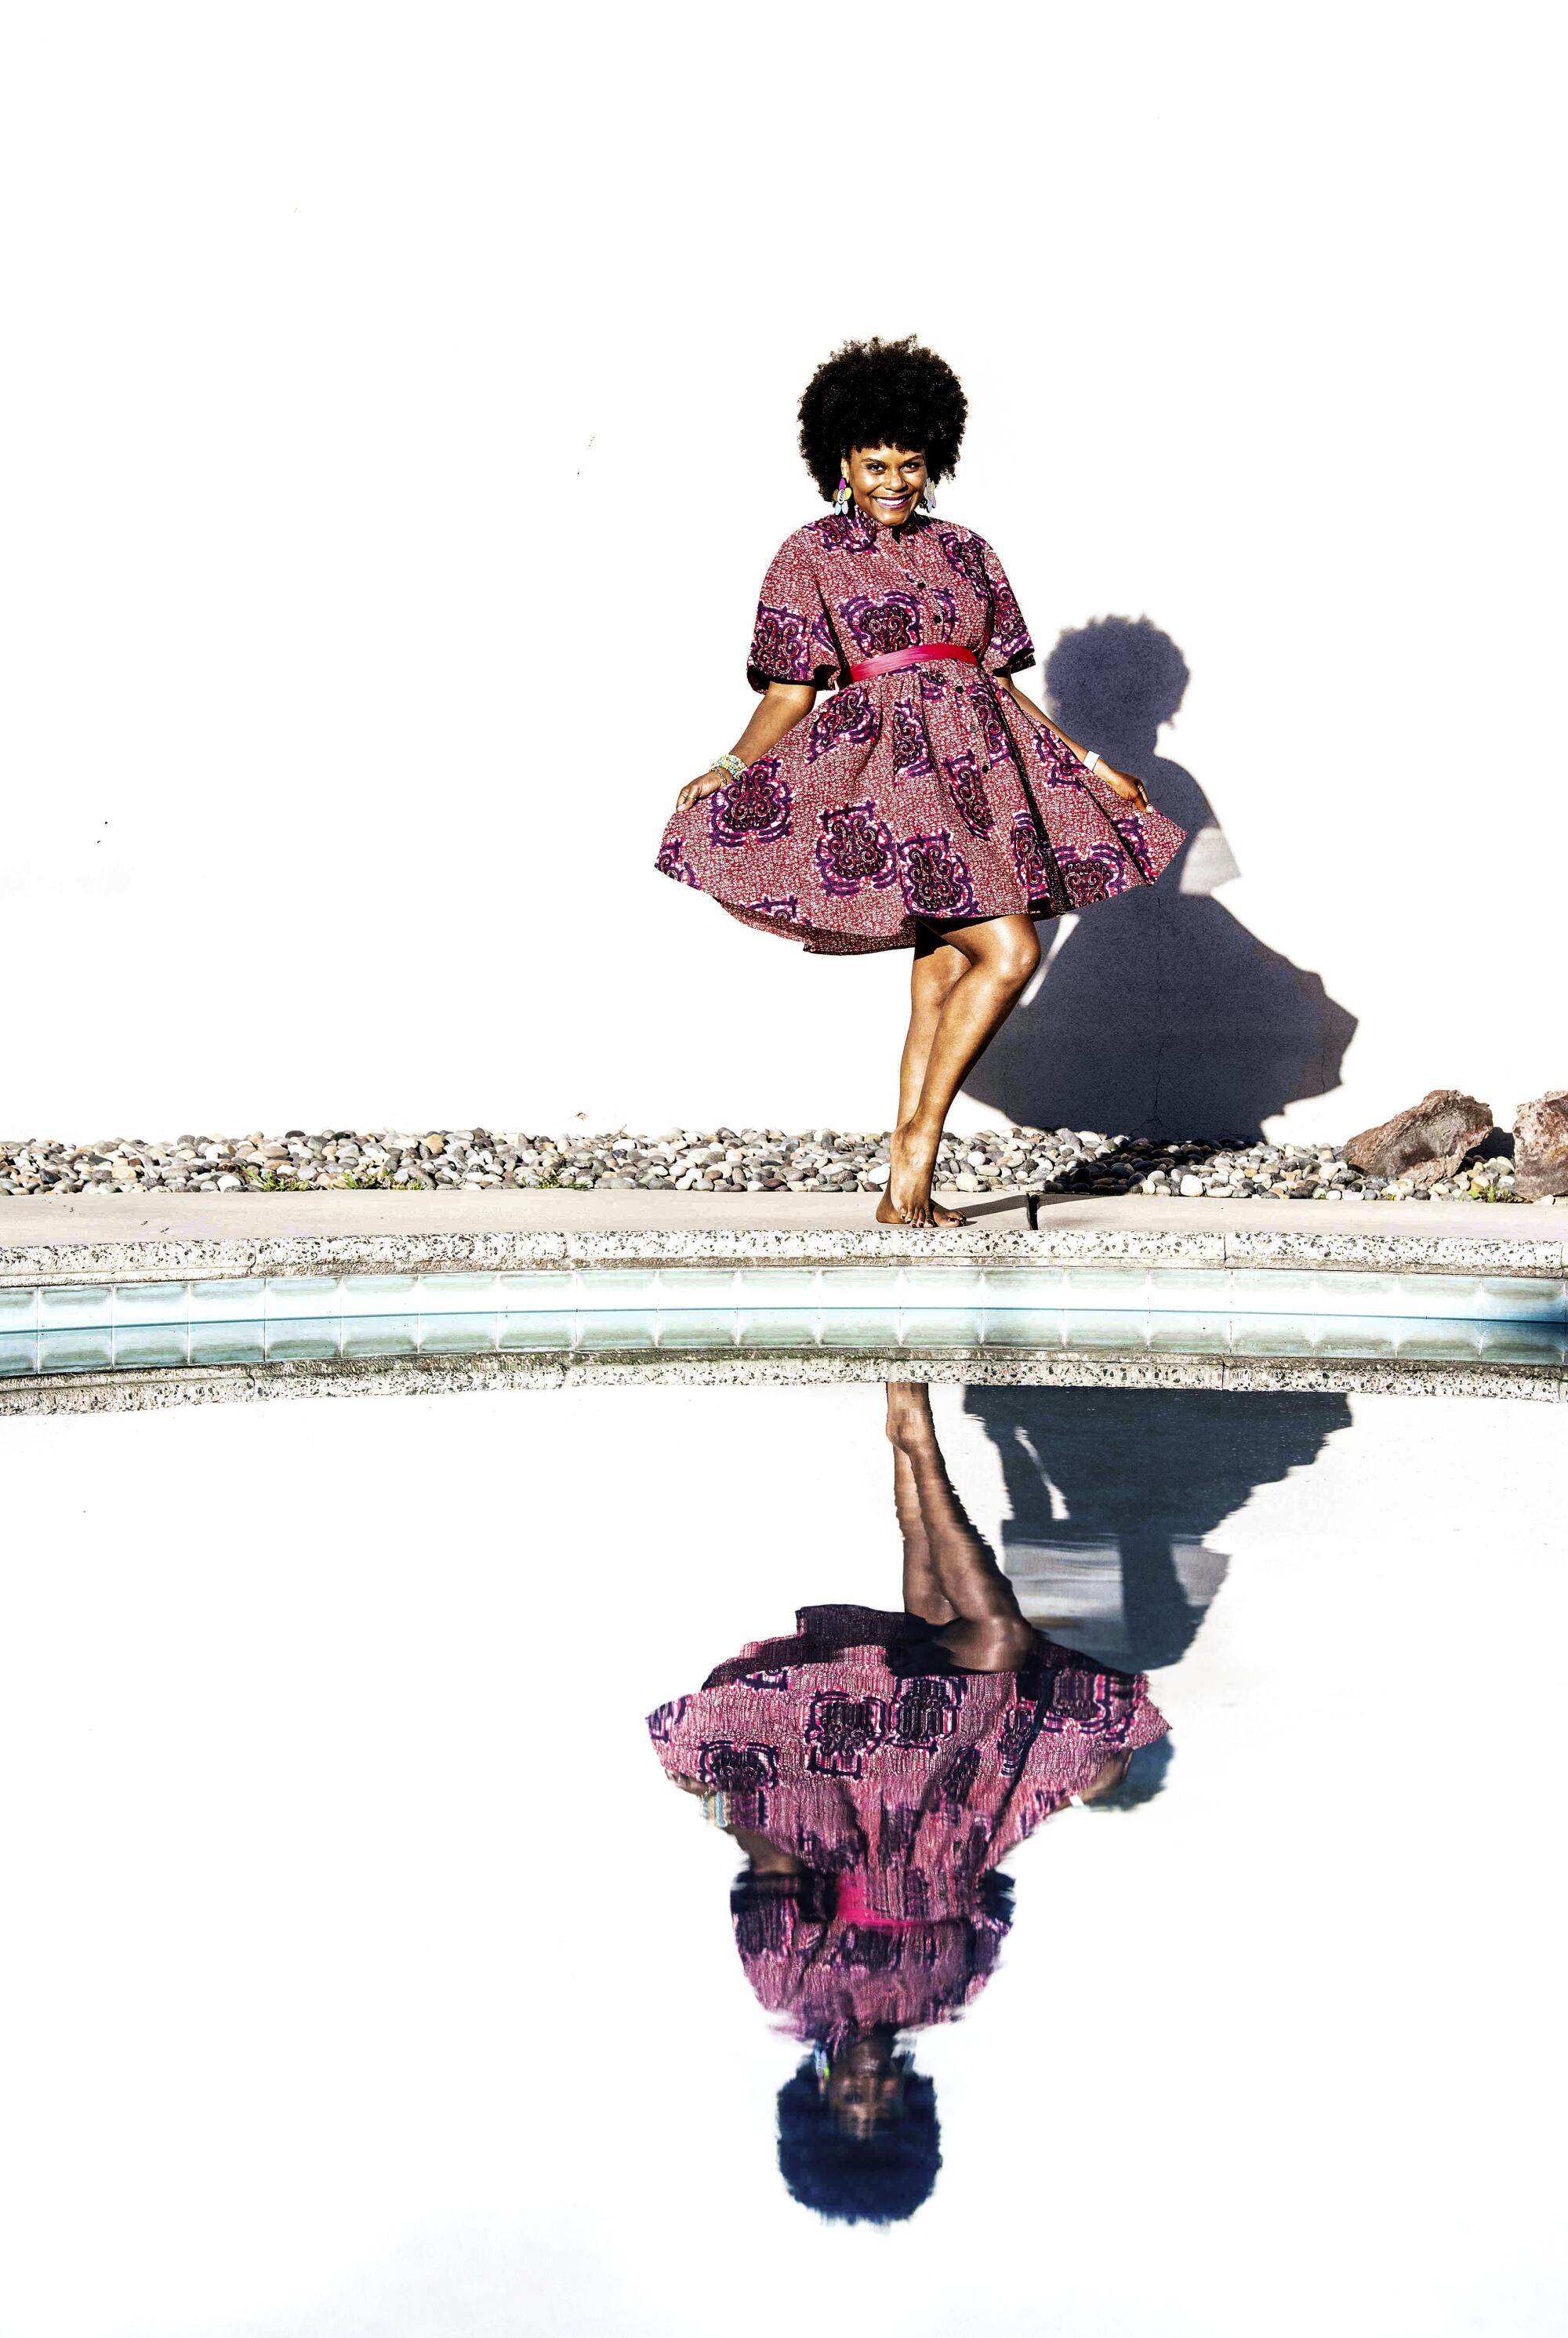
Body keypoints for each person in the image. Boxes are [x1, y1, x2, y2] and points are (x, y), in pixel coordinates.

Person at [657, 335, 1186, 1226]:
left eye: (910, 462)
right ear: (840, 462)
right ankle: (912, 1148)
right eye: (875, 464)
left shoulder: (967, 551)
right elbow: (791, 689)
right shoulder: (808, 554)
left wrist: (1093, 766)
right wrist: (728, 766)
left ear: (932, 458)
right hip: (890, 777)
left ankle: (906, 1192)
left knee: (942, 972)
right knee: (1009, 952)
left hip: (979, 774)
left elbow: (998, 685)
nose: (894, 480)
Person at [645, 1382, 1170, 2224]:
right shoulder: (949, 1992)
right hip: (963, 1784)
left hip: (859, 1782)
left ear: (811, 2099)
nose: (869, 2089)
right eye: (884, 2109)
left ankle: (916, 1433)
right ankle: (905, 1418)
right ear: (910, 2104)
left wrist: (714, 1796)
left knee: (993, 1637)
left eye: (846, 2107)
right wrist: (1064, 1789)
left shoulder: (791, 1987)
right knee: (933, 1612)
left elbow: (772, 1860)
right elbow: (987, 1865)